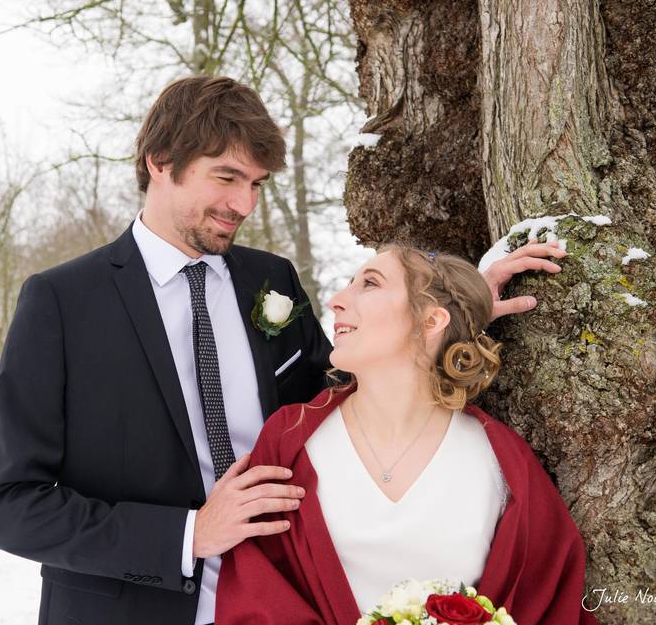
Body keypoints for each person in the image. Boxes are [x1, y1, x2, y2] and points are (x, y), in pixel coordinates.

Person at [0, 75, 567, 625]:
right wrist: (189, 534)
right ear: (160, 163)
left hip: (283, 602)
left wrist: (454, 312)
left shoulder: (271, 281)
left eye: (255, 184)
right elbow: (7, 503)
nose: (244, 205)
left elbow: (348, 397)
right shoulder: (61, 302)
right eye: (226, 177)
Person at [215, 246, 595, 625]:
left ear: (431, 321)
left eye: (369, 284)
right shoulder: (290, 439)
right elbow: (255, 592)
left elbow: (549, 600)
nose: (335, 302)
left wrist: (470, 300)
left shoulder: (502, 459)